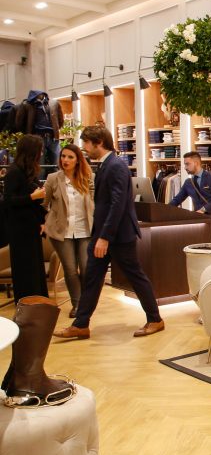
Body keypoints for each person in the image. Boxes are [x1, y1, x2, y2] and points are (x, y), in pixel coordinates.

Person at [54, 126, 164, 339]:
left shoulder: (115, 166)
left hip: (118, 235)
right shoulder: (106, 165)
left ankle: (155, 319)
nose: (84, 148)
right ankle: (81, 324)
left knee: (135, 276)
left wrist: (105, 237)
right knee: (92, 278)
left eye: (87, 143)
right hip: (105, 234)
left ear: (99, 143)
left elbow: (118, 204)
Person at [43, 144, 94, 318]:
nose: (65, 160)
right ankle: (77, 305)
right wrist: (47, 222)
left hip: (84, 230)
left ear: (78, 160)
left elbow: (95, 202)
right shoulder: (53, 178)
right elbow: (44, 204)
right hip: (61, 232)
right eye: (63, 156)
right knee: (70, 270)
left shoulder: (89, 178)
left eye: (70, 157)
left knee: (86, 268)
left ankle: (87, 303)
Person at [2, 134, 48, 303]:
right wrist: (32, 197)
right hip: (19, 229)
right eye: (39, 150)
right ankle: (27, 304)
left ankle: (38, 303)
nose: (41, 153)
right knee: (25, 269)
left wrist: (42, 221)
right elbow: (8, 201)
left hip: (31, 227)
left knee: (35, 267)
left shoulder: (29, 171)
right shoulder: (14, 172)